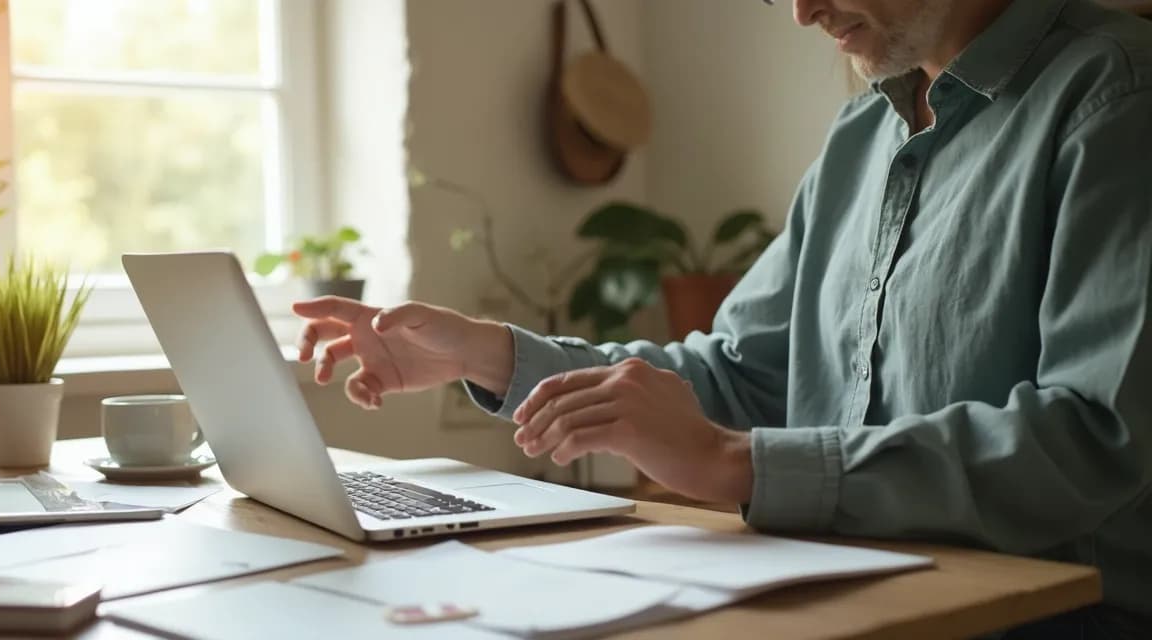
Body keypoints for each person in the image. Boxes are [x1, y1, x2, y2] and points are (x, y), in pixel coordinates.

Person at [292, 0, 1152, 636]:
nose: (800, 11)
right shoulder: (861, 140)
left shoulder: (1116, 95)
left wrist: (734, 463)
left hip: (1054, 613)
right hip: (860, 589)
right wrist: (491, 356)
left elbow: (1091, 438)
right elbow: (743, 374)